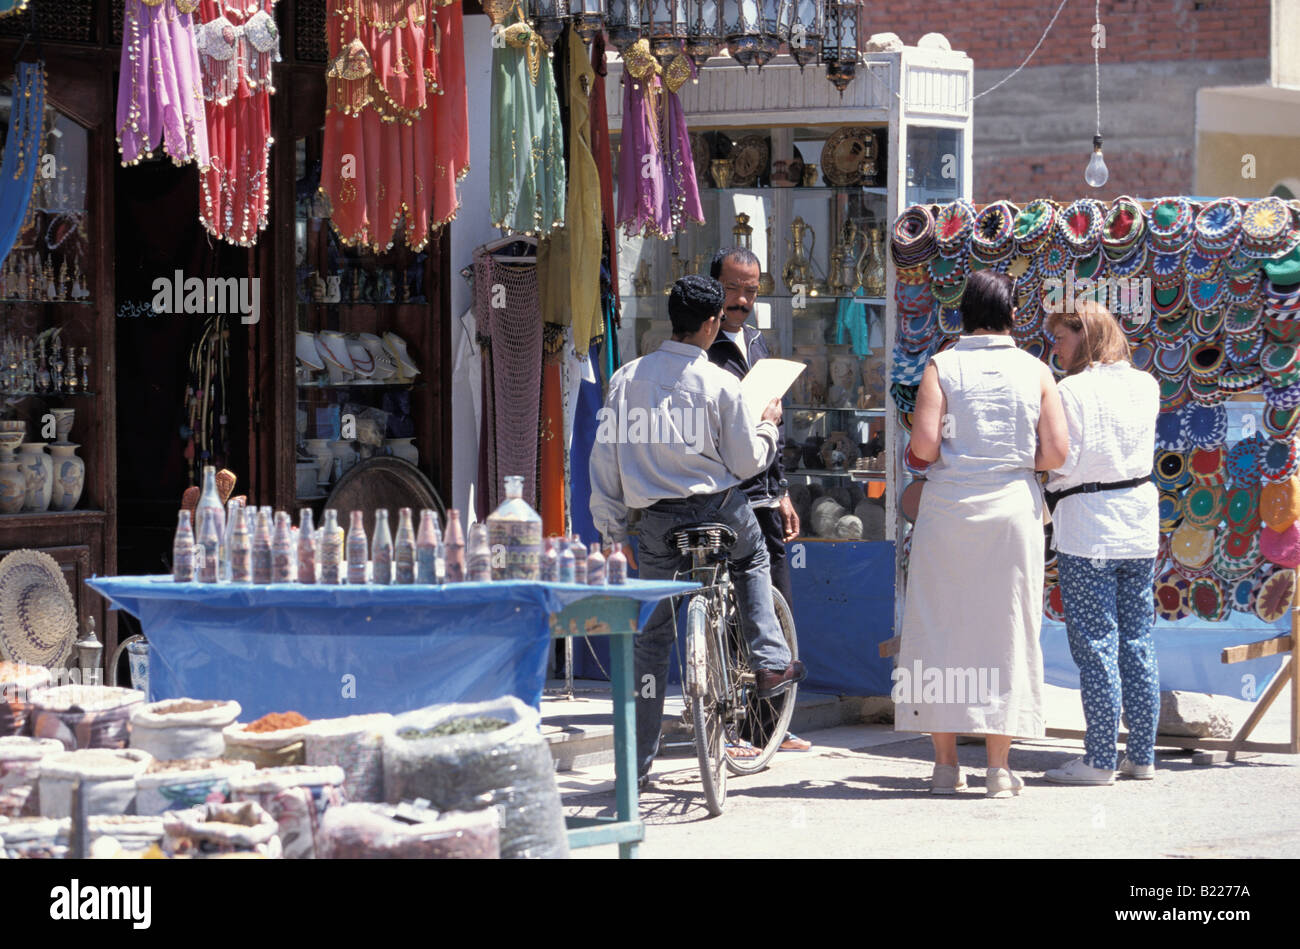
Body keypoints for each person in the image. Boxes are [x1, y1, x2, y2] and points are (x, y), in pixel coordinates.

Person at [589, 274, 808, 789]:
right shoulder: (720, 384)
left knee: (653, 639)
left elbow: (604, 463)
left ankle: (638, 765)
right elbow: (748, 460)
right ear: (711, 324)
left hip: (658, 522)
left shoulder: (626, 379)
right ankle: (771, 660)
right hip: (720, 511)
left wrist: (611, 530)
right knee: (753, 558)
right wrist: (769, 424)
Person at [896, 269, 1068, 798]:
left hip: (948, 510)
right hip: (1012, 511)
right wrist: (1016, 464)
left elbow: (924, 447)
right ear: (1012, 313)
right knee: (1008, 631)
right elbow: (1057, 454)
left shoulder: (942, 366)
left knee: (938, 628)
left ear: (962, 314)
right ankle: (998, 769)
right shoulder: (1036, 370)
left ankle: (945, 767)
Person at [1042, 300, 1160, 785]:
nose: (1055, 348)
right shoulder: (1146, 383)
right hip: (1138, 525)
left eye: (1062, 338)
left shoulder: (1073, 391)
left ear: (1085, 334)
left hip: (1090, 527)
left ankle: (1098, 760)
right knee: (1137, 642)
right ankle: (1143, 755)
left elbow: (1063, 462)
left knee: (1096, 645)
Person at [705, 247, 810, 754]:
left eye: (750, 289)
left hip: (766, 496)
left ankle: (772, 725)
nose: (741, 300)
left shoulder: (757, 342)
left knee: (777, 604)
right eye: (732, 289)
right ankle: (736, 725)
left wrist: (784, 489)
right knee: (733, 611)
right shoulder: (704, 349)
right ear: (714, 288)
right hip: (729, 495)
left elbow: (775, 423)